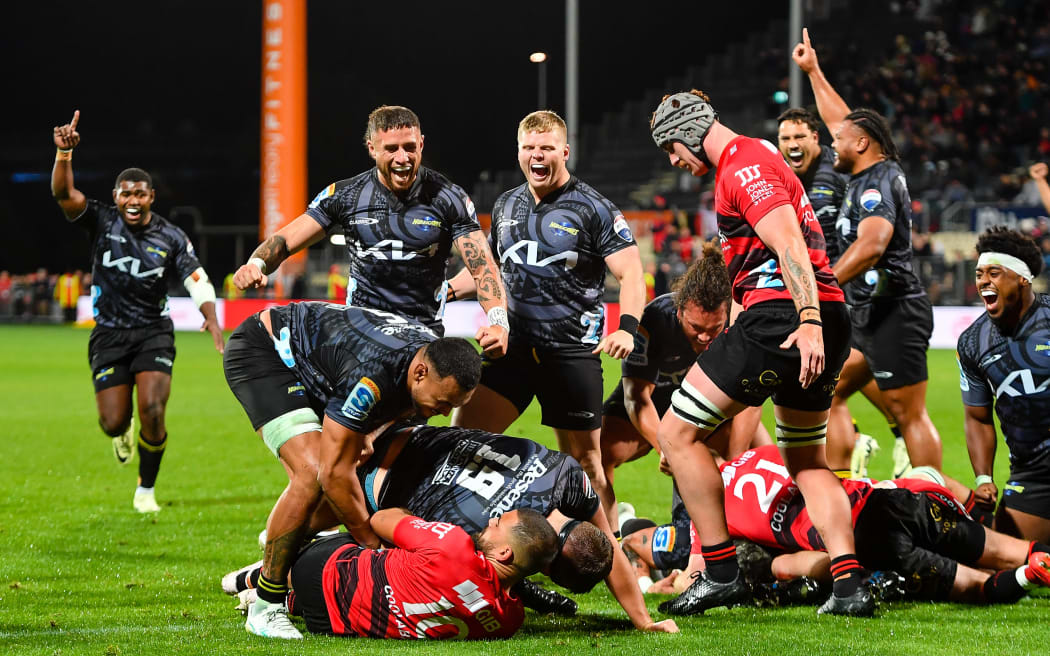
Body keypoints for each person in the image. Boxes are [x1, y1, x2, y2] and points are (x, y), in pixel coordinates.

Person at [649, 89, 869, 616]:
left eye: (672, 150)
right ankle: (849, 585)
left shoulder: (740, 164)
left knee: (676, 434)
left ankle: (720, 571)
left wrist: (807, 322)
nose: (676, 162)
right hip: (826, 313)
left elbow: (789, 241)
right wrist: (817, 320)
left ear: (686, 135)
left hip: (788, 318)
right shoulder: (756, 157)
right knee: (807, 460)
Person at [223, 423, 679, 633]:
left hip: (420, 433)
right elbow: (392, 528)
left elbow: (610, 545)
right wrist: (642, 622)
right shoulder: (477, 538)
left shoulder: (568, 476)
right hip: (385, 485)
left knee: (313, 521)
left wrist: (643, 619)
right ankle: (269, 573)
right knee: (369, 544)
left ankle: (277, 558)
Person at [222, 303, 481, 639]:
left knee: (353, 468)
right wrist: (369, 541)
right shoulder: (374, 372)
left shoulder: (428, 358)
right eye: (443, 402)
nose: (445, 413)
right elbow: (333, 473)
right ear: (420, 373)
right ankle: (266, 605)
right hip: (266, 353)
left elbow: (400, 408)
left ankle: (281, 545)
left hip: (321, 368)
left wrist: (368, 433)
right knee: (314, 473)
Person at [448, 110, 646, 520]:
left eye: (547, 148)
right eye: (529, 148)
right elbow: (489, 270)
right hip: (513, 349)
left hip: (571, 355)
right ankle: (452, 534)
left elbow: (631, 273)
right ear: (519, 152)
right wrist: (445, 291)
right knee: (459, 441)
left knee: (585, 465)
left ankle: (612, 553)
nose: (538, 155)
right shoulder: (506, 204)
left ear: (565, 152)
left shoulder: (594, 208)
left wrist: (627, 329)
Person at [50, 110, 224, 513]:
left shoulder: (170, 236)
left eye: (140, 194)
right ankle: (121, 431)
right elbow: (63, 195)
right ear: (116, 196)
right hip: (109, 334)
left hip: (152, 333)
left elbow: (196, 278)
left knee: (152, 408)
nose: (132, 201)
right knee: (112, 421)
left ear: (151, 197)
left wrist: (212, 318)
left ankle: (146, 489)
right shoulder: (101, 221)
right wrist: (63, 155)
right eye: (125, 194)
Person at [233, 105, 509, 357]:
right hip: (358, 334)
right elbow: (285, 240)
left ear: (422, 144)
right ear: (372, 148)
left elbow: (483, 267)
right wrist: (256, 263)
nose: (403, 158)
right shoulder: (345, 195)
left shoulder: (449, 198)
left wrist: (499, 324)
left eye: (410, 147)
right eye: (391, 149)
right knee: (345, 411)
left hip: (420, 339)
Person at [793, 28, 943, 478]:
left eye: (840, 141)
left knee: (908, 412)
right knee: (830, 391)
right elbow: (844, 123)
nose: (832, 144)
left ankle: (935, 505)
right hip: (867, 312)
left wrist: (823, 284)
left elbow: (873, 244)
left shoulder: (877, 183)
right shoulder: (864, 174)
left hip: (893, 308)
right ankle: (843, 482)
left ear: (862, 146)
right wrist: (814, 72)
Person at [719, 445, 1050, 605]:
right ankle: (1032, 564)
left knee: (978, 586)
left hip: (868, 541)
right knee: (1014, 550)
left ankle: (1027, 576)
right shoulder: (762, 453)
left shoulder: (716, 514)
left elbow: (785, 566)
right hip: (893, 500)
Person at [599, 242, 771, 530]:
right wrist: (667, 450)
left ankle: (764, 529)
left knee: (762, 456)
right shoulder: (653, 320)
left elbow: (751, 398)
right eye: (696, 328)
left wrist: (734, 462)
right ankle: (613, 539)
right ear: (679, 311)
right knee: (597, 451)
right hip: (655, 401)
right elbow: (636, 397)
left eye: (713, 329)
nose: (705, 338)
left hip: (709, 401)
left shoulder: (739, 323)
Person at [777, 107, 906, 478]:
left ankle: (850, 462)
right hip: (822, 289)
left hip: (847, 288)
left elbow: (855, 130)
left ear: (817, 139)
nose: (792, 144)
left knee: (824, 377)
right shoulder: (787, 179)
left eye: (800, 136)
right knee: (833, 374)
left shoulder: (839, 171)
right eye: (785, 138)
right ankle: (872, 438)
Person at [283, 507, 557, 639]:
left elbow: (380, 520)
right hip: (330, 624)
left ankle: (264, 578)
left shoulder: (454, 545)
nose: (489, 521)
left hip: (320, 570)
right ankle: (288, 602)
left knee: (373, 530)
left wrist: (408, 515)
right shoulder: (510, 621)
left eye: (497, 524)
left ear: (504, 553)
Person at [958, 227, 1050, 543]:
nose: (983, 280)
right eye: (979, 274)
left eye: (994, 272)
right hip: (1033, 475)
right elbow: (977, 417)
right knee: (1006, 566)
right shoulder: (973, 342)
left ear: (1022, 278)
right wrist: (984, 477)